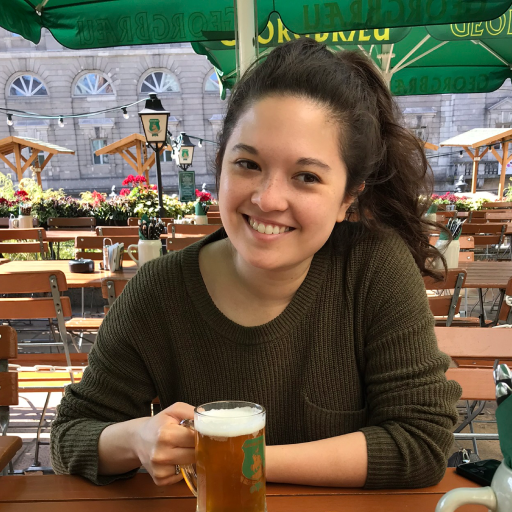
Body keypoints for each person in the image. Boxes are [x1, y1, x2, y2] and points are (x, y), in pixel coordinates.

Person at [51, 39, 461, 489]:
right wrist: (135, 438)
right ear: (219, 167)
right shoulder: (159, 291)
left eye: (306, 176)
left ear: (348, 198)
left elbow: (421, 440)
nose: (268, 199)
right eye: (247, 164)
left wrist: (240, 458)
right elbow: (70, 435)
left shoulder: (373, 268)